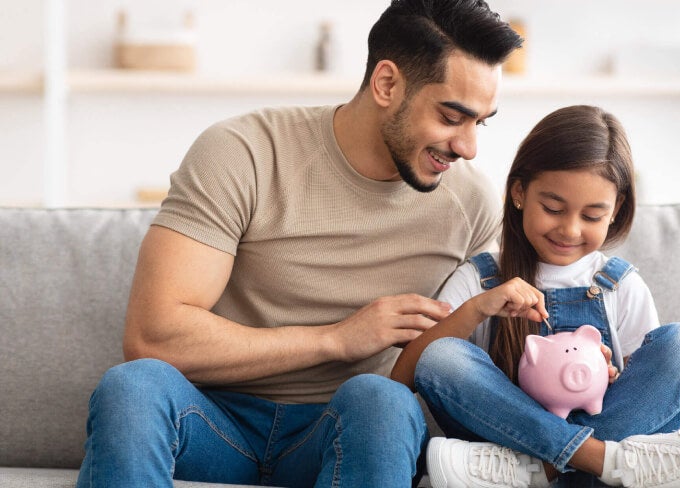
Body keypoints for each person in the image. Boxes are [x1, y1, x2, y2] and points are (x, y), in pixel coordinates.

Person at [76, 1, 523, 487]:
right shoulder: (244, 152)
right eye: (451, 116)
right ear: (387, 84)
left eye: (480, 123)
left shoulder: (471, 203)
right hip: (212, 420)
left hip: (345, 428)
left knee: (382, 402)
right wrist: (336, 338)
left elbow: (481, 354)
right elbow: (152, 337)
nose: (468, 146)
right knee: (133, 387)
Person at [391, 105, 680, 488]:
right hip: (506, 435)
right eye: (553, 208)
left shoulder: (619, 284)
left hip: (500, 466)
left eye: (591, 216)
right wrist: (477, 309)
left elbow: (644, 394)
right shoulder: (482, 277)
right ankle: (601, 462)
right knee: (442, 356)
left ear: (615, 210)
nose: (569, 229)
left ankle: (537, 471)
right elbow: (406, 376)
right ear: (519, 192)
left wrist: (612, 374)